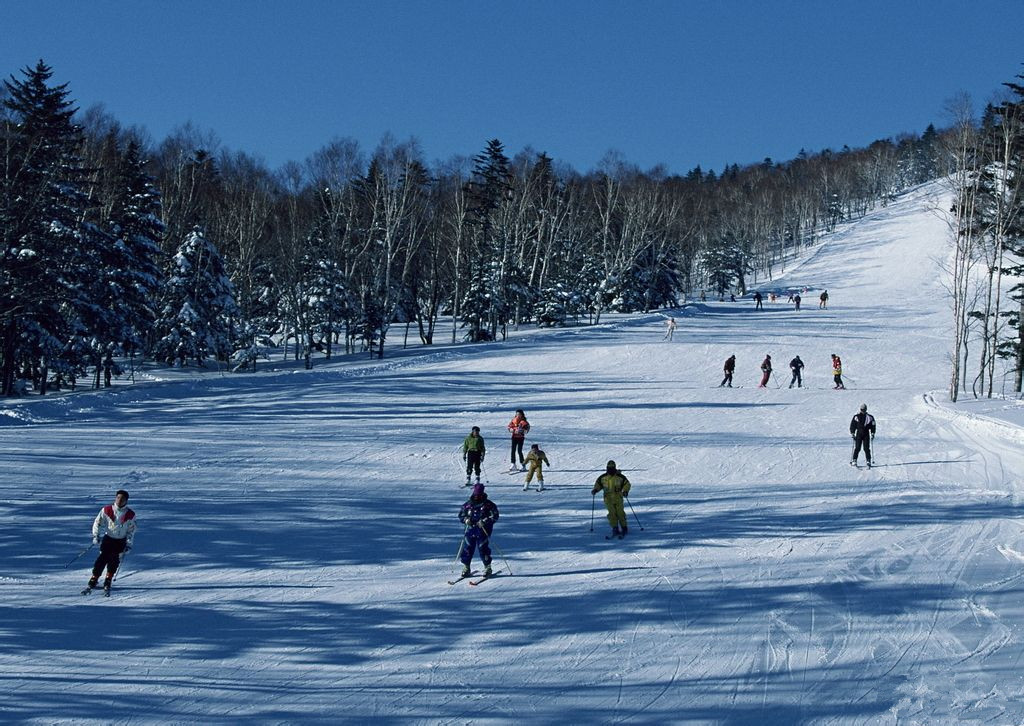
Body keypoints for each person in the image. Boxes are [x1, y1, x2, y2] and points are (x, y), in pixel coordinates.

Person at [86, 489, 136, 593]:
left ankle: (108, 579)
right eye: (118, 498)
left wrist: (129, 544)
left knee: (114, 560)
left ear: (126, 501)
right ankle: (94, 577)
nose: (119, 500)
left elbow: (131, 530)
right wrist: (96, 535)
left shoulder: (130, 514)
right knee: (102, 559)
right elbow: (98, 523)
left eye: (122, 499)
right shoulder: (107, 510)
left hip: (120, 541)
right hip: (108, 538)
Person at [458, 483, 499, 577]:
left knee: (483, 548)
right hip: (470, 530)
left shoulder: (489, 505)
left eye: (479, 495)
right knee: (468, 548)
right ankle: (466, 567)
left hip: (483, 531)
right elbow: (461, 514)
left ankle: (487, 567)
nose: (476, 497)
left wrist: (485, 521)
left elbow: (495, 516)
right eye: (475, 494)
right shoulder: (468, 504)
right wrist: (466, 520)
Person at [592, 460, 632, 538]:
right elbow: (598, 484)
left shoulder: (620, 477)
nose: (610, 470)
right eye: (609, 468)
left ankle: (624, 527)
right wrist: (595, 490)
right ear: (607, 468)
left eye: (612, 468)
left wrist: (625, 491)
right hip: (608, 499)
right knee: (612, 513)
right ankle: (615, 527)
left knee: (620, 513)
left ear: (615, 468)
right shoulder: (603, 477)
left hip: (618, 498)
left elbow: (627, 484)